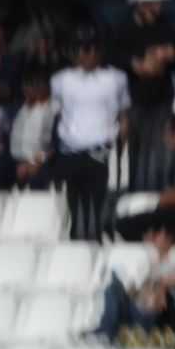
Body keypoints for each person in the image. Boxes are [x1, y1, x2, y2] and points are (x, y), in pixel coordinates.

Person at [46, 25, 128, 241]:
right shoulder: (60, 79)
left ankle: (96, 239)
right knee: (75, 200)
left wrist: (121, 153)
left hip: (99, 148)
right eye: (78, 49)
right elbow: (57, 115)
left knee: (97, 200)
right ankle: (76, 241)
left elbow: (124, 116)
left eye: (89, 48)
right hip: (71, 148)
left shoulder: (115, 78)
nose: (84, 54)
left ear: (99, 50)